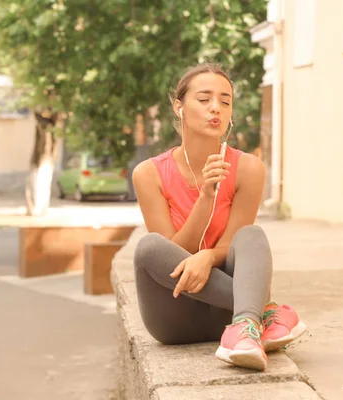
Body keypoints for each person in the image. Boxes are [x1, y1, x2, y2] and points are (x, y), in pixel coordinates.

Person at [131, 63, 307, 371]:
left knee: (251, 235)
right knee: (149, 247)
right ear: (179, 106)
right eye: (204, 99)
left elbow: (231, 244)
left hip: (229, 317)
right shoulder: (149, 174)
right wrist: (206, 198)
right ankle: (265, 312)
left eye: (225, 102)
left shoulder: (248, 168)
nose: (216, 108)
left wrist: (209, 256)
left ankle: (246, 327)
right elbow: (170, 259)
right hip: (174, 316)